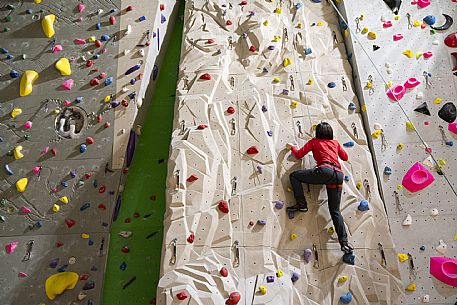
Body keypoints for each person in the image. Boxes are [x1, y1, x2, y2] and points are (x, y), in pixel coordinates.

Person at [285, 122, 353, 254]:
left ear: (318, 133)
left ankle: (301, 204)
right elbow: (345, 157)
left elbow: (299, 155)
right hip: (338, 175)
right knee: (335, 211)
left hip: (325, 171)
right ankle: (344, 243)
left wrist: (292, 147)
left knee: (294, 176)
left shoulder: (314, 142)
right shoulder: (335, 143)